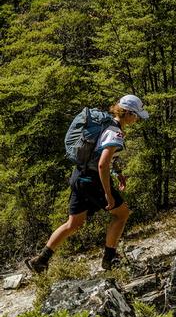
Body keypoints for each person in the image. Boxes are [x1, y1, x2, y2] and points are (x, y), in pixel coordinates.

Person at [25, 94, 149, 272]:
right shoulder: (115, 132)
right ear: (128, 113)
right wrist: (108, 193)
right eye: (136, 115)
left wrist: (117, 173)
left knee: (73, 223)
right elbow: (102, 164)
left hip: (78, 177)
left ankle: (40, 261)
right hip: (92, 181)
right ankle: (110, 260)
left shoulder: (105, 125)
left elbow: (99, 157)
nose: (137, 119)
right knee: (122, 214)